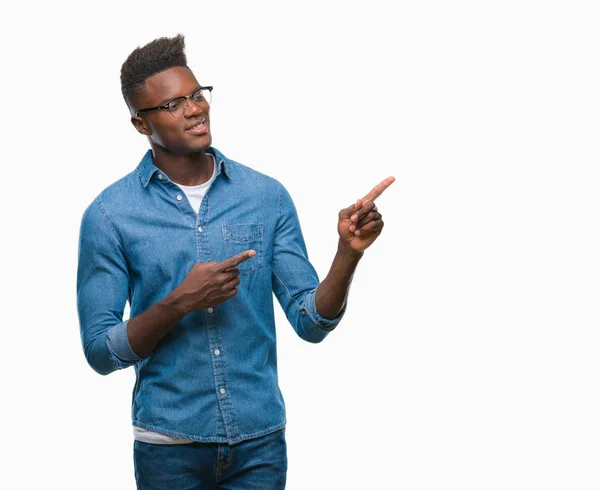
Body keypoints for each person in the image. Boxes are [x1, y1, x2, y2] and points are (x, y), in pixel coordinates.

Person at [77, 34, 394, 490]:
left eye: (196, 95)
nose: (193, 109)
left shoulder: (266, 197)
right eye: (172, 105)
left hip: (260, 445)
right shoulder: (109, 215)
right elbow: (100, 353)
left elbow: (311, 321)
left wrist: (347, 255)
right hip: (169, 448)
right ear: (140, 125)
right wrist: (180, 302)